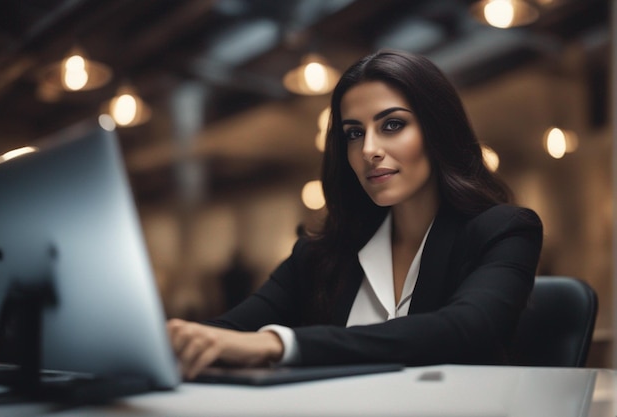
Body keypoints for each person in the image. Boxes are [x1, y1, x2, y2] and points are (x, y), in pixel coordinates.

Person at [167, 50, 543, 380]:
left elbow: (465, 329)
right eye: (353, 133)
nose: (369, 150)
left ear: (437, 130)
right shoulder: (318, 255)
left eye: (392, 125)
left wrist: (279, 344)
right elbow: (227, 331)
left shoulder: (504, 231)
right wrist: (175, 340)